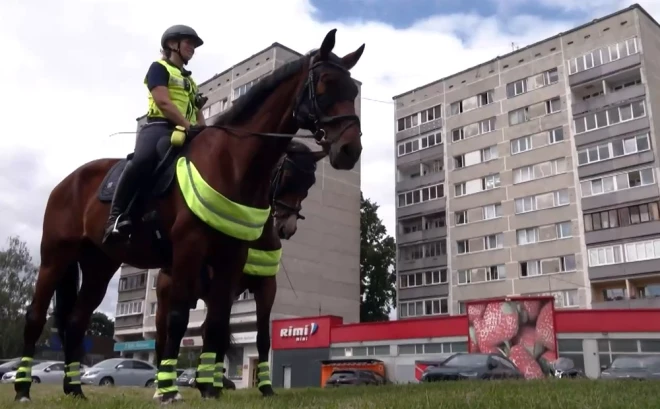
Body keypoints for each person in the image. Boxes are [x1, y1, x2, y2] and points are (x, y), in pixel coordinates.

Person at [102, 24, 208, 245]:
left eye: (194, 45)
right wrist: (188, 127)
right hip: (159, 128)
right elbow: (163, 102)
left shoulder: (191, 82)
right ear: (172, 44)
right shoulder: (158, 68)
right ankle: (115, 217)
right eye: (189, 42)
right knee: (142, 160)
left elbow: (198, 116)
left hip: (185, 132)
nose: (193, 48)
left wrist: (204, 133)